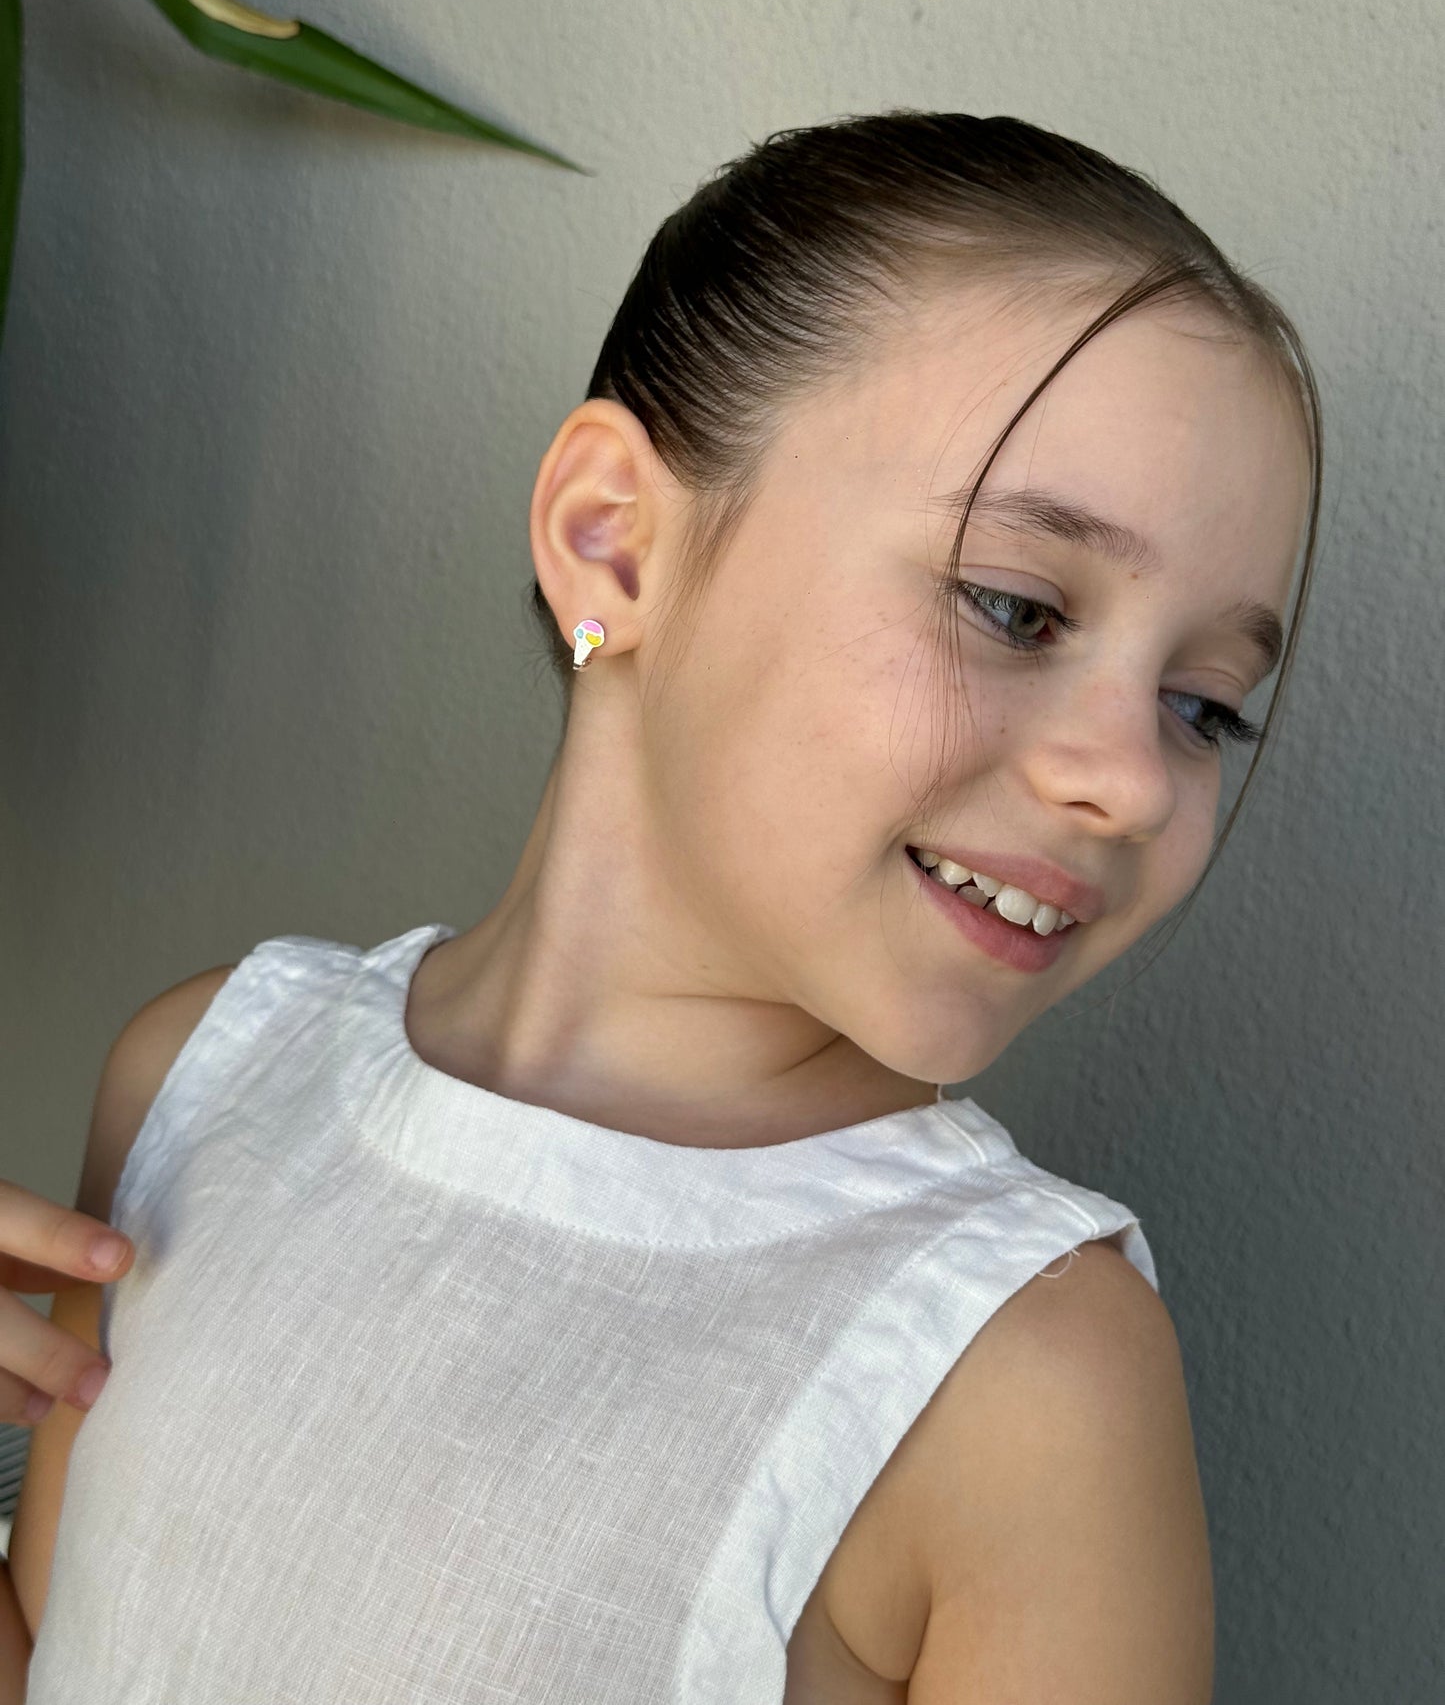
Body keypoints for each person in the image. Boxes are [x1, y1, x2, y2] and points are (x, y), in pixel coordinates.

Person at [0, 110, 1320, 1703]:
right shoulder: (203, 1079)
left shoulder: (1015, 1379)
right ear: (611, 543)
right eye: (1015, 606)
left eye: (1206, 705)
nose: (1130, 779)